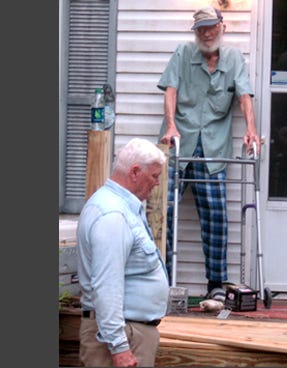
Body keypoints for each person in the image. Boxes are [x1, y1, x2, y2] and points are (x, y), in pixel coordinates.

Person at [156, 6, 261, 301]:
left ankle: (215, 283)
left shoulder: (233, 59)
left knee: (215, 214)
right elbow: (170, 90)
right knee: (162, 211)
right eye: (201, 29)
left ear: (221, 27)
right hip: (179, 141)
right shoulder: (183, 53)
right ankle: (159, 278)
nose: (206, 33)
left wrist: (251, 130)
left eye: (210, 27)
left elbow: (244, 96)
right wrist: (172, 126)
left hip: (213, 147)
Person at [77, 138, 170, 367]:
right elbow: (107, 286)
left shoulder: (122, 207)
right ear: (135, 172)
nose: (157, 183)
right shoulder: (113, 215)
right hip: (124, 337)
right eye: (154, 176)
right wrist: (119, 348)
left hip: (130, 333)